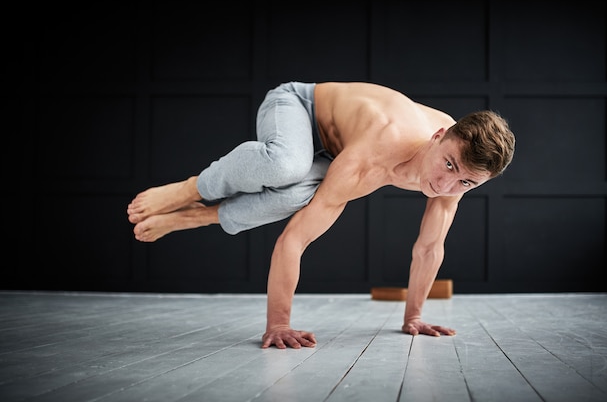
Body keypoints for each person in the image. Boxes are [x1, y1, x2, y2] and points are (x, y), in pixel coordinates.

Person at [127, 81, 515, 349]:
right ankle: (190, 189)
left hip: (336, 150)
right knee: (287, 167)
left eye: (465, 183)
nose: (447, 186)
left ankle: (193, 217)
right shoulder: (379, 152)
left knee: (297, 194)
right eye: (447, 166)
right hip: (300, 106)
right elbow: (294, 239)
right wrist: (278, 324)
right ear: (438, 136)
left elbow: (429, 249)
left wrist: (413, 317)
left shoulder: (458, 177)